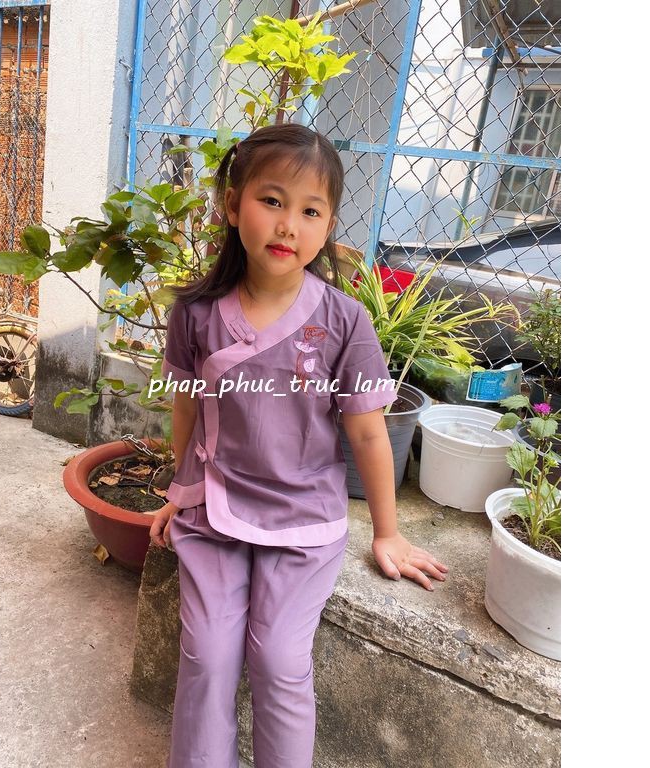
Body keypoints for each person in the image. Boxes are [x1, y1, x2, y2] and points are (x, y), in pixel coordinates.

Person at [149, 122, 448, 768]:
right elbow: (186, 406)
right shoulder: (195, 313)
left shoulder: (345, 321)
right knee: (207, 655)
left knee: (280, 659)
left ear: (329, 226)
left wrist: (387, 532)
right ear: (234, 206)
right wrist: (179, 490)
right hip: (214, 511)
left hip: (304, 522)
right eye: (272, 201)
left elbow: (367, 429)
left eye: (311, 211)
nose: (289, 225)